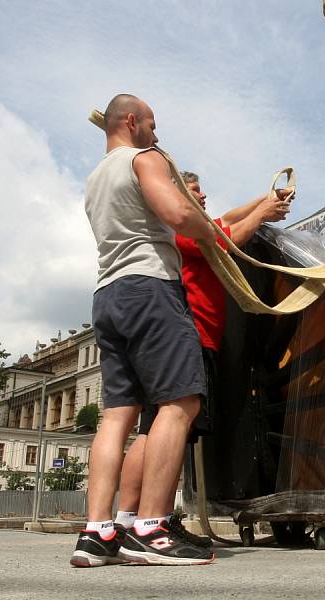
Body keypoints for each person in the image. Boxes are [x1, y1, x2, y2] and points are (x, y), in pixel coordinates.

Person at [71, 94, 216, 567]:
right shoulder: (144, 158)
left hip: (107, 295)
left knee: (117, 415)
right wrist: (207, 229)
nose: (157, 134)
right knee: (180, 401)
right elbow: (177, 216)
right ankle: (151, 527)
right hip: (150, 288)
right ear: (131, 121)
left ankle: (97, 532)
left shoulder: (94, 179)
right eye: (152, 124)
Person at [114, 171, 291, 546]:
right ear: (176, 195)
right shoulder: (178, 225)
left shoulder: (177, 226)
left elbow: (225, 218)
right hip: (192, 336)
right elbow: (225, 239)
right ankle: (152, 523)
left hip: (180, 336)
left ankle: (128, 519)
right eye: (195, 190)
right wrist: (262, 214)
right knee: (171, 426)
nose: (204, 195)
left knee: (151, 428)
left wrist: (265, 197)